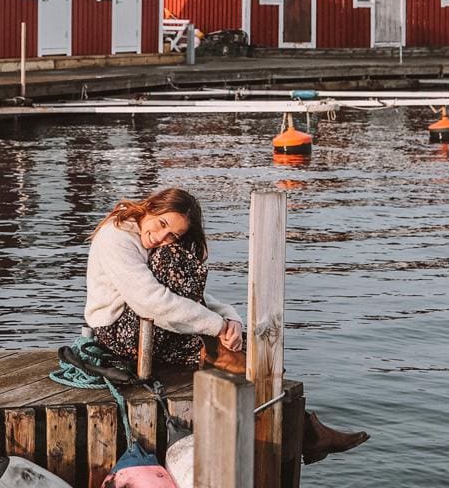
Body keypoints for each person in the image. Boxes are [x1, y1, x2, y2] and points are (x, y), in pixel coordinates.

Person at [85, 187, 369, 465]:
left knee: (247, 346)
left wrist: (230, 319)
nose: (161, 237)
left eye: (173, 234)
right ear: (151, 206)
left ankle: (297, 419)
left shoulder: (146, 236)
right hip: (117, 333)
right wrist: (218, 327)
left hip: (145, 325)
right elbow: (151, 300)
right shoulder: (117, 237)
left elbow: (184, 298)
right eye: (161, 224)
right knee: (177, 267)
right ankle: (300, 427)